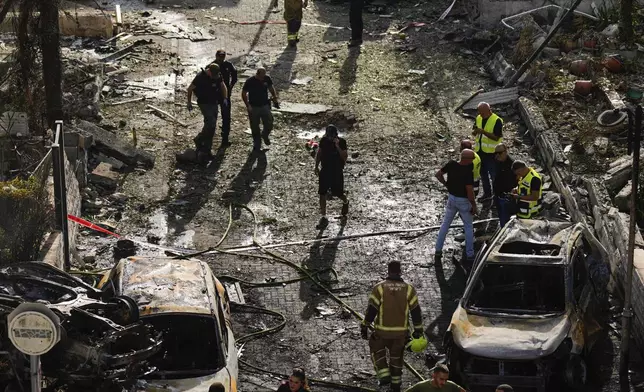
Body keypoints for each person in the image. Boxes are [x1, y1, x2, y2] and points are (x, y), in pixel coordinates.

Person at [361, 261, 425, 392]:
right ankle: (395, 387)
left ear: (388, 271)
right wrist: (418, 330)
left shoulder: (379, 288)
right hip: (401, 335)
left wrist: (365, 325)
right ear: (400, 272)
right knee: (397, 359)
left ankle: (384, 375)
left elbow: (371, 310)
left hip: (382, 333)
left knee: (376, 348)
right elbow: (416, 312)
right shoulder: (409, 289)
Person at [434, 149, 477, 263]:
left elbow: (438, 174)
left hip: (452, 198)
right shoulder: (468, 172)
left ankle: (438, 250)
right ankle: (470, 254)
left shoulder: (451, 164)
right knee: (468, 226)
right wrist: (473, 205)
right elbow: (469, 191)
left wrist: (447, 185)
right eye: (472, 158)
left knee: (445, 224)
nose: (473, 161)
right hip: (463, 201)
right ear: (467, 159)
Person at [187, 63, 228, 161]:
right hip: (204, 103)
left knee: (212, 127)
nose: (214, 77)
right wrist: (189, 102)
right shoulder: (200, 77)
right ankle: (200, 138)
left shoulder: (217, 76)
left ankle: (207, 149)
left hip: (214, 102)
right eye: (213, 75)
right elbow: (190, 88)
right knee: (211, 122)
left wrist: (225, 97)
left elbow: (223, 86)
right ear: (209, 71)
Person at [314, 125, 349, 229]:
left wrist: (337, 146)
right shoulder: (324, 141)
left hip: (337, 171)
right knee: (322, 193)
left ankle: (345, 201)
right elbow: (319, 153)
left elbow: (345, 157)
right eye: (328, 136)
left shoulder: (342, 142)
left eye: (331, 136)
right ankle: (323, 217)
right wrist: (316, 166)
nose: (329, 138)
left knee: (337, 193)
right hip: (325, 170)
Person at [241, 68, 279, 152]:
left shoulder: (267, 78)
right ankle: (257, 143)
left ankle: (265, 135)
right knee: (254, 126)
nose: (262, 79)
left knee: (269, 122)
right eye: (261, 77)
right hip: (254, 106)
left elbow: (271, 88)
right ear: (257, 74)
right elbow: (244, 93)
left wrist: (274, 98)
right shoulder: (250, 81)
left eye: (263, 76)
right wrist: (247, 105)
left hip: (265, 105)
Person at [472, 102, 503, 201]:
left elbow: (496, 137)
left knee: (494, 175)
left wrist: (484, 132)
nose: (481, 114)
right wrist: (475, 131)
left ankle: (497, 196)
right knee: (483, 174)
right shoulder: (478, 118)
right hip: (480, 151)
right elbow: (474, 131)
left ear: (489, 111)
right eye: (479, 112)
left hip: (492, 153)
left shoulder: (497, 120)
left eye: (482, 113)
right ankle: (487, 194)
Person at [213, 49, 238, 147]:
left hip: (225, 94)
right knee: (212, 117)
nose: (221, 58)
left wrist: (231, 86)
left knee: (226, 116)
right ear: (216, 56)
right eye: (220, 56)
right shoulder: (212, 66)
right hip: (214, 95)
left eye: (223, 56)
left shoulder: (228, 65)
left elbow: (235, 75)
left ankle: (225, 138)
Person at [492, 143, 516, 227]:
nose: (497, 155)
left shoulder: (512, 164)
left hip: (507, 196)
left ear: (505, 151)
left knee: (507, 220)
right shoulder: (497, 162)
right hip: (498, 194)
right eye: (496, 153)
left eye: (500, 153)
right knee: (501, 218)